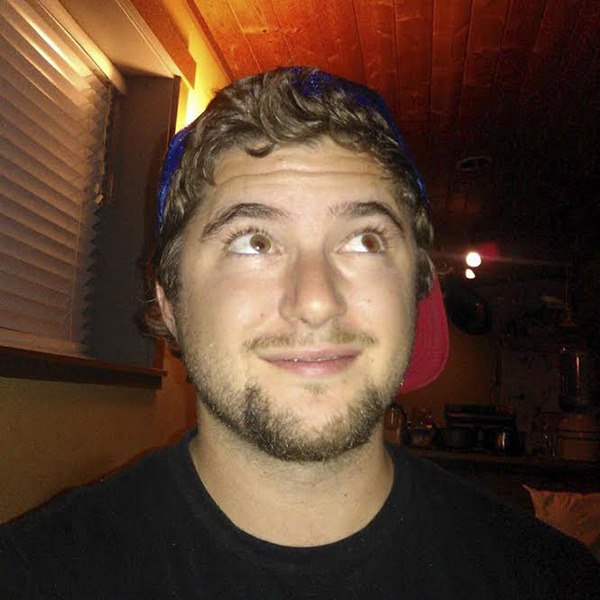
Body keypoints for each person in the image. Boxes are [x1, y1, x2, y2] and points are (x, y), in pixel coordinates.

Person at [0, 67, 597, 599]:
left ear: (417, 289)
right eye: (253, 242)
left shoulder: (554, 580)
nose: (315, 302)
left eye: (365, 240)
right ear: (170, 302)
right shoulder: (34, 575)